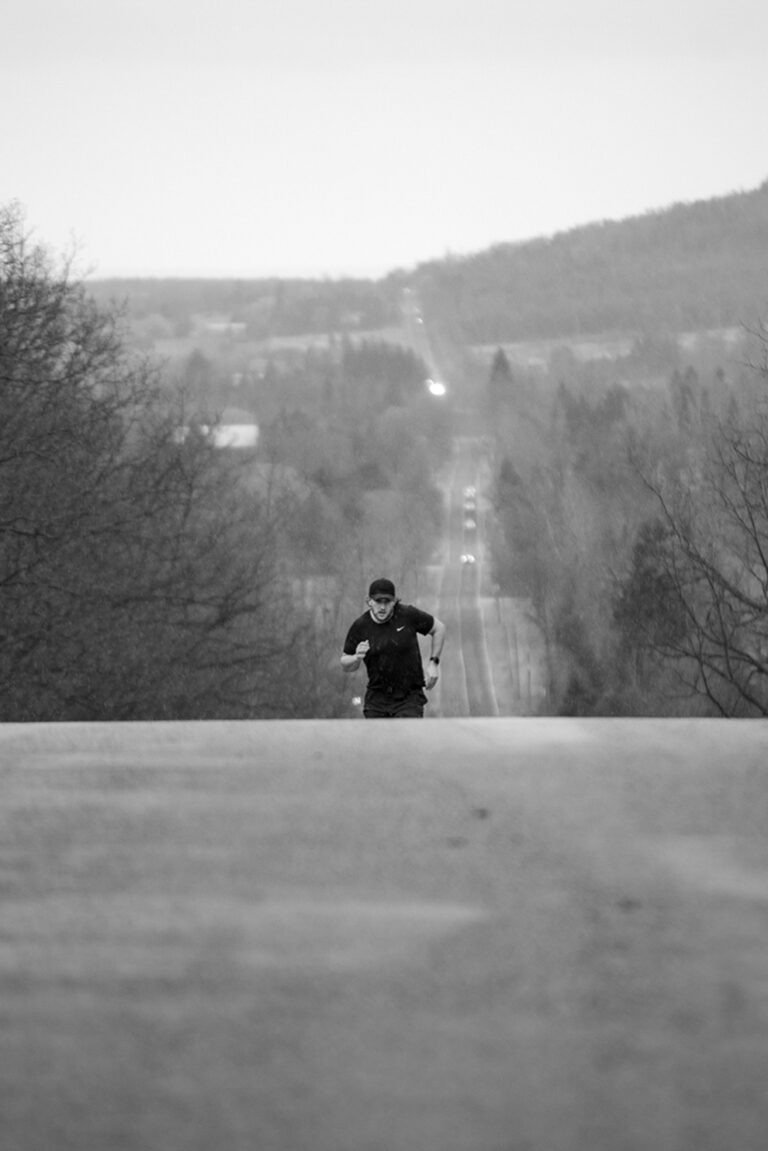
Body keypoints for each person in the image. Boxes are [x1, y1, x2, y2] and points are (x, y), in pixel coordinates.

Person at [341, 578, 446, 718]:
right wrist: (356, 657)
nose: (383, 607)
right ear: (369, 601)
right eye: (378, 602)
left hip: (409, 697)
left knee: (405, 737)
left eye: (387, 602)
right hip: (377, 699)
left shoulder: (407, 615)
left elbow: (439, 628)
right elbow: (345, 663)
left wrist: (434, 663)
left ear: (395, 601)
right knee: (379, 740)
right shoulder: (361, 626)